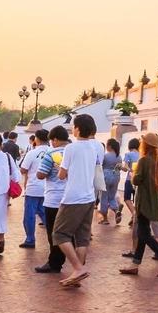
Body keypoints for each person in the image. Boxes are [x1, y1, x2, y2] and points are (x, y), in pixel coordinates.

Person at [50, 114, 102, 287]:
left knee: (59, 233)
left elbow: (62, 174)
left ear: (78, 128)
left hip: (73, 197)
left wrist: (59, 168)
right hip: (89, 197)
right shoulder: (94, 148)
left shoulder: (71, 149)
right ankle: (77, 274)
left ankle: (78, 268)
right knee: (81, 237)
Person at [119, 132, 158, 278]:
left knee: (143, 234)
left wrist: (133, 175)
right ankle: (135, 264)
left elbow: (137, 180)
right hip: (153, 201)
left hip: (143, 201)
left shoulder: (144, 160)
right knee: (143, 233)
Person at [35, 126, 71, 274]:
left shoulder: (51, 153)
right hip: (71, 197)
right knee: (68, 231)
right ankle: (67, 259)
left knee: (54, 232)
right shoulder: (73, 151)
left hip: (54, 197)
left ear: (55, 139)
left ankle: (55, 262)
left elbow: (40, 174)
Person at [18, 128, 50, 249]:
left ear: (36, 139)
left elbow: (23, 169)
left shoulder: (32, 153)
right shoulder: (52, 151)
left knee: (29, 215)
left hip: (33, 188)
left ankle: (30, 239)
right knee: (44, 212)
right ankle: (54, 235)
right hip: (47, 188)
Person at [97, 137, 123, 225]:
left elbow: (100, 165)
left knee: (103, 197)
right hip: (116, 176)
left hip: (105, 176)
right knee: (112, 197)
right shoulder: (119, 156)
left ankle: (105, 219)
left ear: (110, 146)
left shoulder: (105, 156)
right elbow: (119, 167)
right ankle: (116, 211)